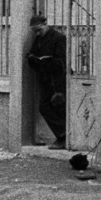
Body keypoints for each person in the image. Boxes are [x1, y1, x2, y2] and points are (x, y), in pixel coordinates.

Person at [26, 13, 67, 149]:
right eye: (35, 31)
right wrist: (32, 58)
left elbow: (61, 61)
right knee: (45, 107)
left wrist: (46, 61)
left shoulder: (59, 38)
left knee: (58, 107)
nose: (37, 34)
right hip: (45, 78)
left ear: (45, 25)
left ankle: (64, 136)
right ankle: (63, 135)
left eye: (39, 30)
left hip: (58, 79)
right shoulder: (39, 39)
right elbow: (32, 53)